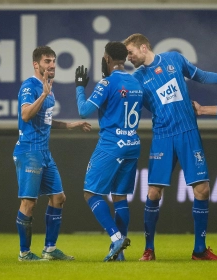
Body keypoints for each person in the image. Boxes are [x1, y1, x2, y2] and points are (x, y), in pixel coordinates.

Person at [123, 33, 217, 261]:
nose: (128, 57)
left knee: (202, 189)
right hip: (162, 136)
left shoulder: (173, 59)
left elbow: (202, 76)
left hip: (188, 133)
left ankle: (199, 250)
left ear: (142, 47)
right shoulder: (136, 79)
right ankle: (149, 250)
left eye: (130, 52)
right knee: (153, 192)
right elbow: (125, 104)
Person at [13, 46, 91, 261]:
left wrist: (70, 125)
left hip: (43, 153)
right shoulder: (30, 86)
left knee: (58, 198)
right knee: (29, 203)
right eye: (47, 61)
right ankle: (24, 253)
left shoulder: (48, 88)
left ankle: (49, 250)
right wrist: (44, 95)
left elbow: (46, 120)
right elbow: (26, 114)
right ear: (36, 64)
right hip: (29, 150)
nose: (52, 65)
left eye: (54, 61)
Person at [75, 41, 144, 262]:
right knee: (120, 198)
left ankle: (116, 238)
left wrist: (79, 87)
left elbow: (84, 111)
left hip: (111, 144)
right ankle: (119, 254)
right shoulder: (135, 82)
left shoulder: (106, 83)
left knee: (91, 192)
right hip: (132, 144)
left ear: (106, 58)